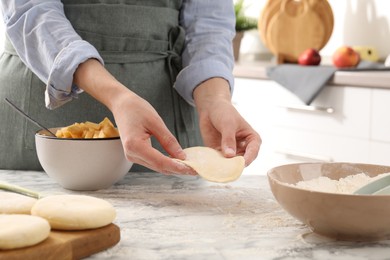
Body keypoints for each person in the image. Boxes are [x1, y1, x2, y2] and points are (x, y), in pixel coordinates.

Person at [0, 0, 261, 175]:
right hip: (36, 115)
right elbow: (31, 12)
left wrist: (215, 98)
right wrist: (117, 96)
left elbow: (209, 26)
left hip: (165, 124)